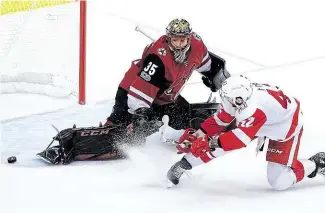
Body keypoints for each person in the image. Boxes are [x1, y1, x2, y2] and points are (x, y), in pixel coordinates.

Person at [37, 18, 230, 165]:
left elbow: (207, 64)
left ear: (189, 37)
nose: (180, 44)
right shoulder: (157, 58)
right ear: (168, 38)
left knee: (183, 116)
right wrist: (141, 116)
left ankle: (225, 121)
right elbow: (140, 92)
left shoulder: (196, 44)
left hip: (165, 97)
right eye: (175, 40)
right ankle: (69, 145)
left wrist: (215, 76)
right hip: (132, 94)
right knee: (127, 137)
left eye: (183, 40)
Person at [167, 75, 325, 190]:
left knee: (278, 181)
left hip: (284, 126)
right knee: (221, 141)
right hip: (267, 119)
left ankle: (318, 163)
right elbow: (220, 120)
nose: (234, 106)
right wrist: (197, 135)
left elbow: (238, 140)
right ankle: (184, 165)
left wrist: (208, 142)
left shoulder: (254, 108)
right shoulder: (236, 95)